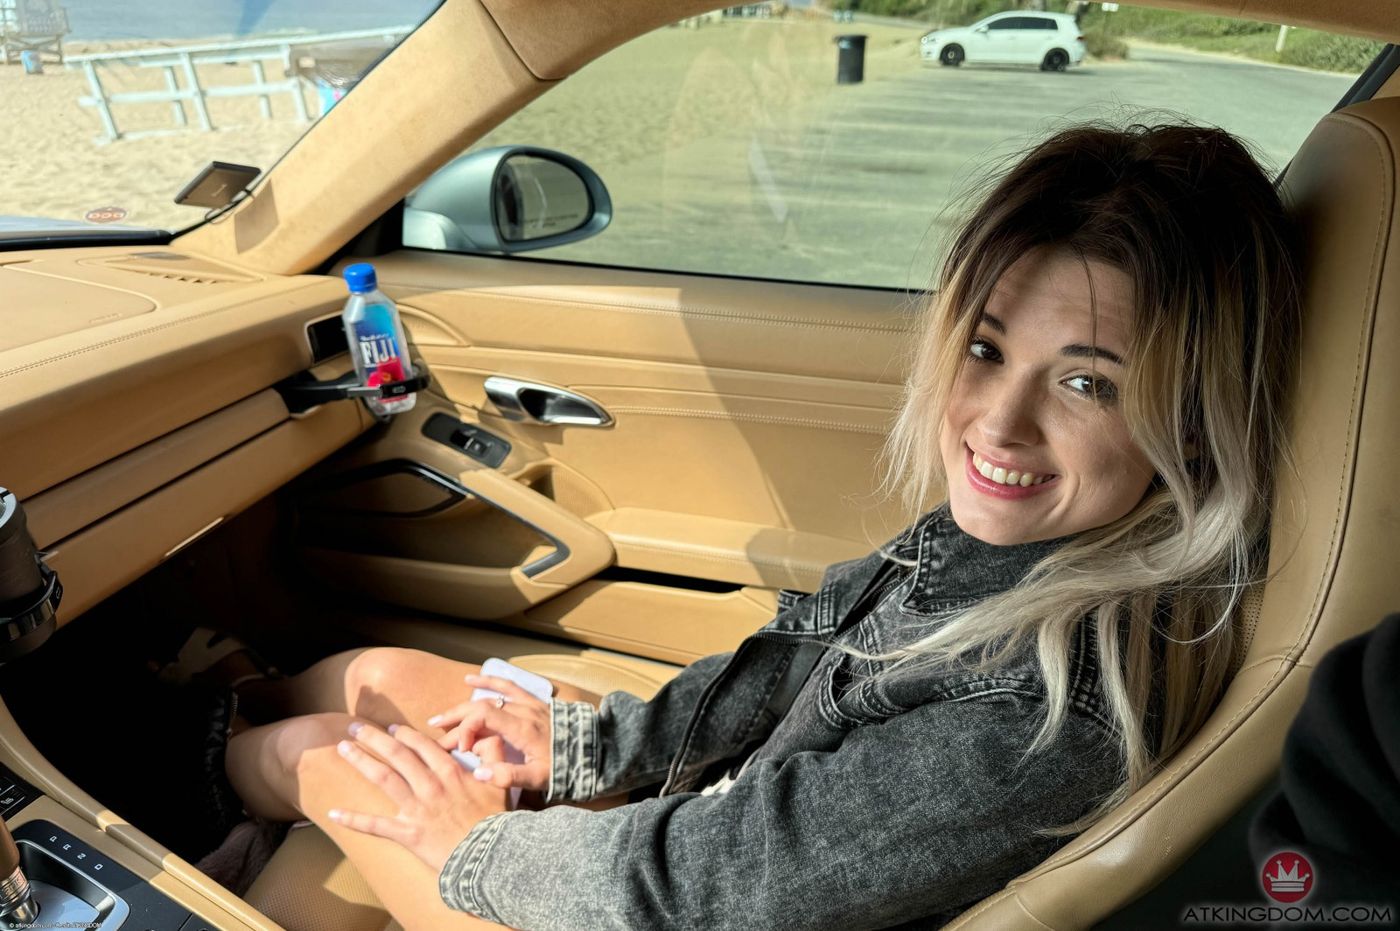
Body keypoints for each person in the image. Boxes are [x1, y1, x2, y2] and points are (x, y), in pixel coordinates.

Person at [216, 119, 1304, 929]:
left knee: (334, 762)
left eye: (1086, 384)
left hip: (691, 897)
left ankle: (193, 768)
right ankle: (219, 738)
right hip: (728, 831)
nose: (997, 423)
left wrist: (475, 840)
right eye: (985, 349)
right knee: (382, 679)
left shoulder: (1038, 713)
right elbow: (788, 665)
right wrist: (584, 749)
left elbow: (696, 893)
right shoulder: (1025, 546)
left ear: (1193, 421)